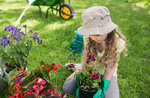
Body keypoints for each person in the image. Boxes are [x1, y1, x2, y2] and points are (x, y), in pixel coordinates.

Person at [63, 6, 128, 98]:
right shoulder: (88, 39)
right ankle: (77, 68)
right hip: (90, 68)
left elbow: (110, 68)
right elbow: (86, 59)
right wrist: (81, 73)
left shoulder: (117, 43)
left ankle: (76, 66)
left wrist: (103, 88)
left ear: (108, 30)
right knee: (67, 88)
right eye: (90, 33)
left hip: (106, 72)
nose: (93, 37)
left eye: (97, 34)